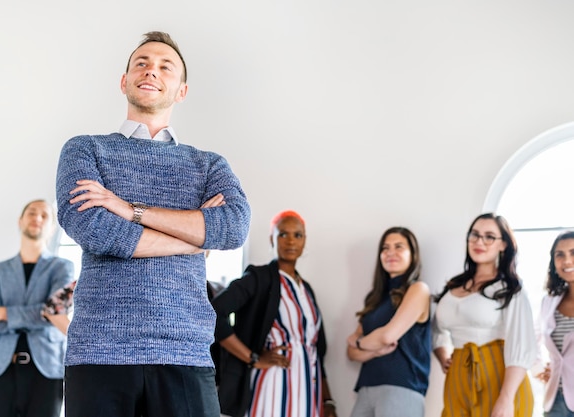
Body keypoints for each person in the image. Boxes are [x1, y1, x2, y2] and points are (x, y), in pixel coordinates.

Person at [55, 31, 250, 417]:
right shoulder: (85, 148)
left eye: (166, 66)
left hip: (185, 350)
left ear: (182, 90)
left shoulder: (209, 164)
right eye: (141, 63)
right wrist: (193, 238)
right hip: (99, 350)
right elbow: (94, 228)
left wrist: (129, 210)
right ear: (124, 80)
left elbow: (232, 227)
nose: (151, 71)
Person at [211, 210, 337, 417]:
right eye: (283, 234)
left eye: (297, 235)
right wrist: (253, 358)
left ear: (305, 241)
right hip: (273, 385)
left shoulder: (306, 290)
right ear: (272, 239)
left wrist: (327, 399)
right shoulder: (259, 279)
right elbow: (214, 313)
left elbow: (316, 351)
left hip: (308, 389)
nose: (290, 241)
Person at [0, 199, 74, 417]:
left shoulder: (62, 268)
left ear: (52, 227)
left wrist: (2, 313)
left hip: (46, 370)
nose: (37, 218)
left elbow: (55, 314)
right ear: (20, 221)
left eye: (44, 215)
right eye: (31, 213)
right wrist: (41, 313)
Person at [433, 213, 536, 417]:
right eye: (475, 235)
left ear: (503, 244)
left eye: (489, 236)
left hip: (500, 376)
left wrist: (506, 399)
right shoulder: (453, 286)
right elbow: (436, 330)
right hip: (458, 376)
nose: (479, 241)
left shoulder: (510, 288)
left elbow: (521, 346)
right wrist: (442, 355)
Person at [346, 227, 431, 417]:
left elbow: (387, 336)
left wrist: (360, 342)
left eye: (399, 247)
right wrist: (375, 350)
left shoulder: (418, 290)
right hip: (366, 388)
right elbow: (351, 353)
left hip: (402, 387)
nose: (390, 253)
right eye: (385, 248)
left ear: (412, 254)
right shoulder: (374, 298)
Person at [534, 231, 574, 416]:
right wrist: (539, 368)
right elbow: (532, 339)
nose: (566, 261)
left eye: (573, 253)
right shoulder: (548, 302)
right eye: (560, 255)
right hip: (556, 399)